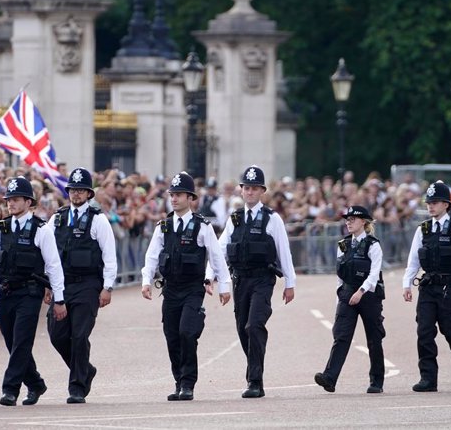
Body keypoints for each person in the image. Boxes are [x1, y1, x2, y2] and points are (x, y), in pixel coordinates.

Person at [141, 171, 231, 401]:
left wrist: (224, 286)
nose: (174, 198)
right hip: (170, 289)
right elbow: (152, 256)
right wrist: (146, 281)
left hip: (192, 289)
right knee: (171, 335)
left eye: (179, 194)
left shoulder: (202, 226)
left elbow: (216, 257)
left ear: (190, 198)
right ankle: (179, 381)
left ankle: (188, 382)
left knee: (187, 332)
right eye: (172, 194)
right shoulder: (164, 225)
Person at [0, 176, 67, 406]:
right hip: (6, 293)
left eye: (16, 199)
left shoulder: (41, 229)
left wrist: (59, 298)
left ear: (28, 201)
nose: (10, 203)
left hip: (30, 293)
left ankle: (10, 389)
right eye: (8, 199)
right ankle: (35, 383)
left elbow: (53, 265)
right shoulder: (0, 228)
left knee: (22, 341)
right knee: (11, 342)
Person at [218, 165, 296, 398]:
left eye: (254, 188)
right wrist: (210, 276)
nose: (250, 192)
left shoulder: (273, 219)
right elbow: (220, 249)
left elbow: (284, 251)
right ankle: (255, 371)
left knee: (254, 325)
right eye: (246, 188)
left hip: (263, 279)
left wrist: (290, 283)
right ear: (241, 191)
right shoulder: (235, 219)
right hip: (240, 280)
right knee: (243, 329)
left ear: (262, 191)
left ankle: (254, 380)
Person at [46, 168, 118, 404]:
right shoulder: (57, 218)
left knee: (79, 335)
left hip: (88, 285)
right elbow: (46, 253)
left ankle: (77, 386)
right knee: (57, 335)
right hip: (61, 285)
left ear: (89, 194)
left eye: (80, 190)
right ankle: (85, 369)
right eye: (72, 190)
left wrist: (107, 287)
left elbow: (109, 255)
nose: (75, 194)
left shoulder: (98, 219)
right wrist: (47, 284)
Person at [402, 181, 451, 392]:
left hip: (449, 287)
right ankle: (428, 378)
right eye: (428, 203)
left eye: (435, 203)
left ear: (446, 204)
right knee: (424, 332)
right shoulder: (423, 229)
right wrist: (407, 283)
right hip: (427, 287)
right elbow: (414, 259)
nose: (430, 206)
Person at [314, 206, 386, 394]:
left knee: (374, 338)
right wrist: (340, 295)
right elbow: (340, 274)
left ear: (364, 222)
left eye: (353, 219)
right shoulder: (343, 245)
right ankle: (329, 377)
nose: (349, 222)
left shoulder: (373, 245)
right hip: (347, 295)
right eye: (347, 219)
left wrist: (361, 291)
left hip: (368, 296)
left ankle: (376, 381)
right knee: (341, 336)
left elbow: (374, 274)